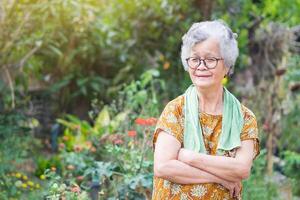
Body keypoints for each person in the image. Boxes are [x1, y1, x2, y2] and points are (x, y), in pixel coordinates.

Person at [152, 20, 260, 200]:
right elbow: (163, 166)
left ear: (227, 65)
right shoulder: (176, 110)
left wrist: (188, 157)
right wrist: (221, 177)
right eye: (194, 59)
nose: (201, 66)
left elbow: (241, 169)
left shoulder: (245, 117)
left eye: (210, 59)